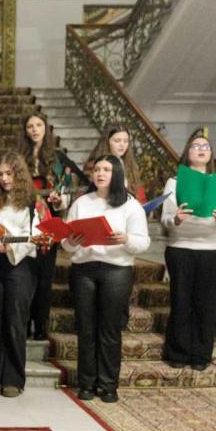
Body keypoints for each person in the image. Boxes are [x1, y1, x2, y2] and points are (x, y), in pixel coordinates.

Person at [62, 155, 151, 402]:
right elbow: (66, 244)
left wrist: (126, 239)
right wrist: (71, 241)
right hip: (84, 270)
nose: (100, 173)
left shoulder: (130, 205)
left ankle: (108, 384)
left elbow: (143, 243)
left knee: (109, 330)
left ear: (117, 174)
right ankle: (87, 383)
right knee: (86, 329)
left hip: (116, 271)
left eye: (107, 169)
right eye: (97, 169)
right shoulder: (81, 203)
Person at [0, 152, 53, 397]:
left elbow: (36, 235)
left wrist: (10, 248)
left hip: (19, 264)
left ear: (19, 174)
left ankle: (13, 379)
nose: (4, 179)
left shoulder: (32, 201)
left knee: (15, 321)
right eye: (0, 174)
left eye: (9, 174)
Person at [160, 129, 216, 371]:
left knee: (207, 305)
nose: (201, 149)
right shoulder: (175, 182)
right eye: (196, 146)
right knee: (181, 302)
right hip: (181, 248)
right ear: (187, 152)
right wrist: (176, 218)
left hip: (212, 250)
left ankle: (201, 355)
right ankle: (178, 353)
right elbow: (165, 219)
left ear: (211, 154)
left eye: (206, 147)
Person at [20, 113, 69, 341]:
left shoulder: (57, 158)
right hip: (24, 220)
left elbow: (65, 190)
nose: (34, 129)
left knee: (45, 276)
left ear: (45, 128)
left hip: (49, 221)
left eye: (38, 125)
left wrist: (60, 200)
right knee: (25, 275)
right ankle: (24, 323)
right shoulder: (19, 157)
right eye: (30, 126)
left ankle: (40, 325)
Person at [89, 124, 146, 203]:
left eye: (125, 141)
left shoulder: (129, 164)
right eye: (117, 141)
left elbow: (137, 189)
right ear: (107, 141)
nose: (122, 145)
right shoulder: (95, 165)